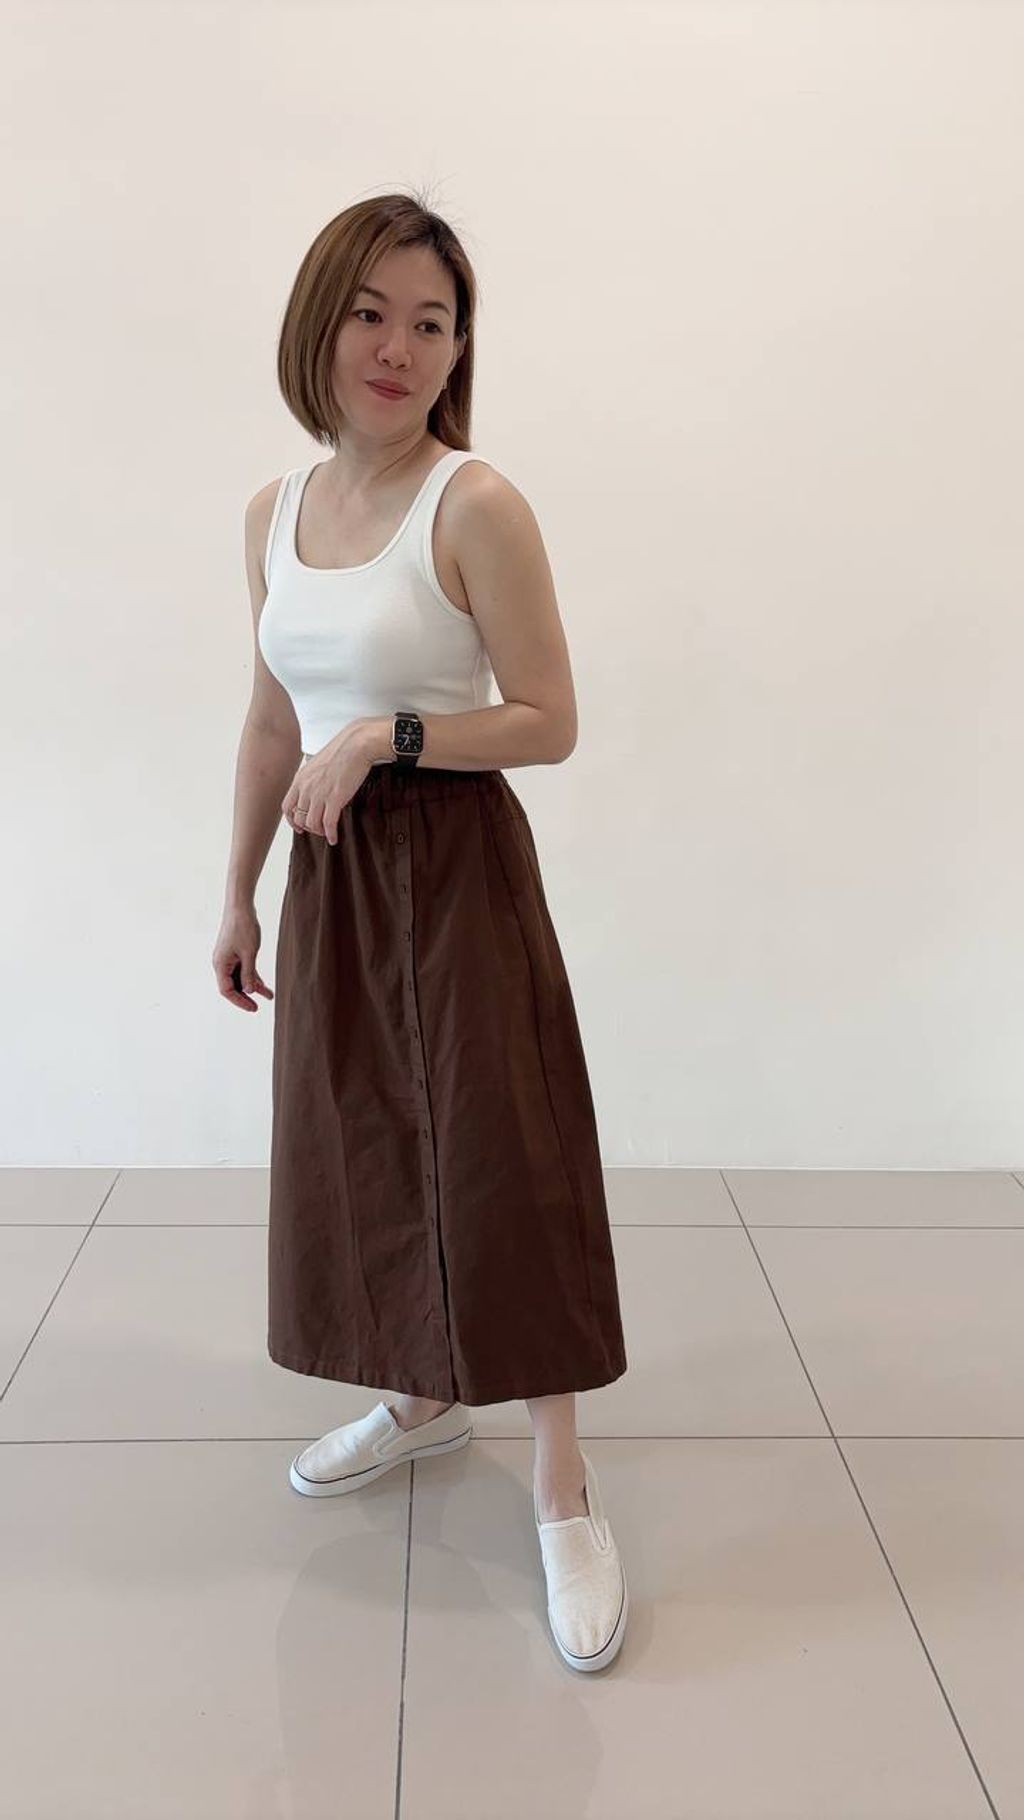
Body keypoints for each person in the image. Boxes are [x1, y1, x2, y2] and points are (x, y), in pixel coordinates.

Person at [212, 191, 629, 1671]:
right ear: (319, 325)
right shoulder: (273, 514)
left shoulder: (476, 504)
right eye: (371, 313)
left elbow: (549, 719)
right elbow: (271, 717)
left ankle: (561, 1480)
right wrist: (236, 889)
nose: (398, 347)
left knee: (502, 1151)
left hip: (452, 862)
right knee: (367, 1143)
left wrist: (386, 735)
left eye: (432, 323)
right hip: (328, 869)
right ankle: (421, 1392)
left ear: (459, 352)